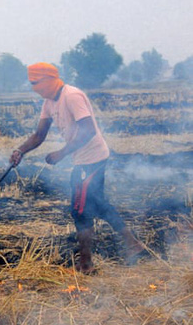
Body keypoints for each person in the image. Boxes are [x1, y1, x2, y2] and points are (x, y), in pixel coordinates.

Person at [9, 63, 144, 274]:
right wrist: (20, 151)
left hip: (92, 159)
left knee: (80, 210)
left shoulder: (72, 96)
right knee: (98, 205)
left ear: (49, 79)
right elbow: (39, 135)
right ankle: (133, 244)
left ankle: (86, 263)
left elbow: (88, 130)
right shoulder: (49, 102)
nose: (34, 87)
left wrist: (62, 153)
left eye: (35, 83)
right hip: (84, 160)